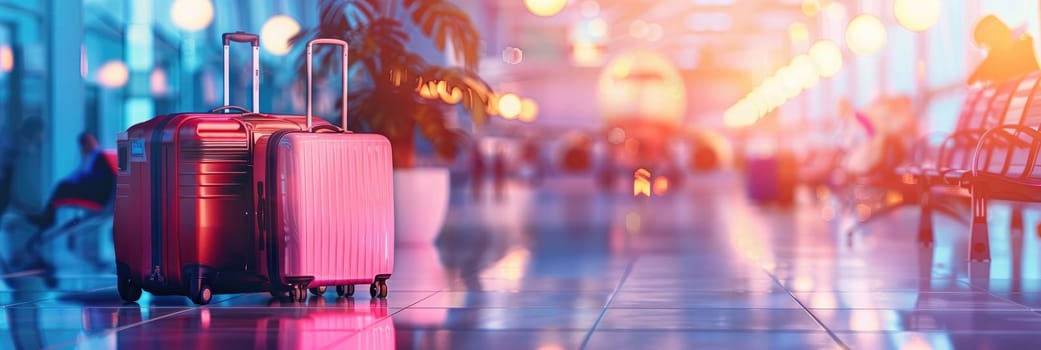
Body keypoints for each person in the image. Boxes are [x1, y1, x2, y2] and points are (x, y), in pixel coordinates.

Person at [27, 132, 116, 231]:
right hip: (100, 195)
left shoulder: (100, 156)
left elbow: (99, 178)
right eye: (84, 143)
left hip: (100, 196)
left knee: (63, 187)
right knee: (63, 186)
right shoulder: (95, 158)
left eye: (88, 142)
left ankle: (48, 218)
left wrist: (83, 180)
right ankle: (48, 217)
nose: (86, 146)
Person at [967, 15, 1040, 85]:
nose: (988, 44)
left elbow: (973, 79)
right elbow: (972, 80)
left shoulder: (1026, 41)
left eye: (988, 36)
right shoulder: (994, 58)